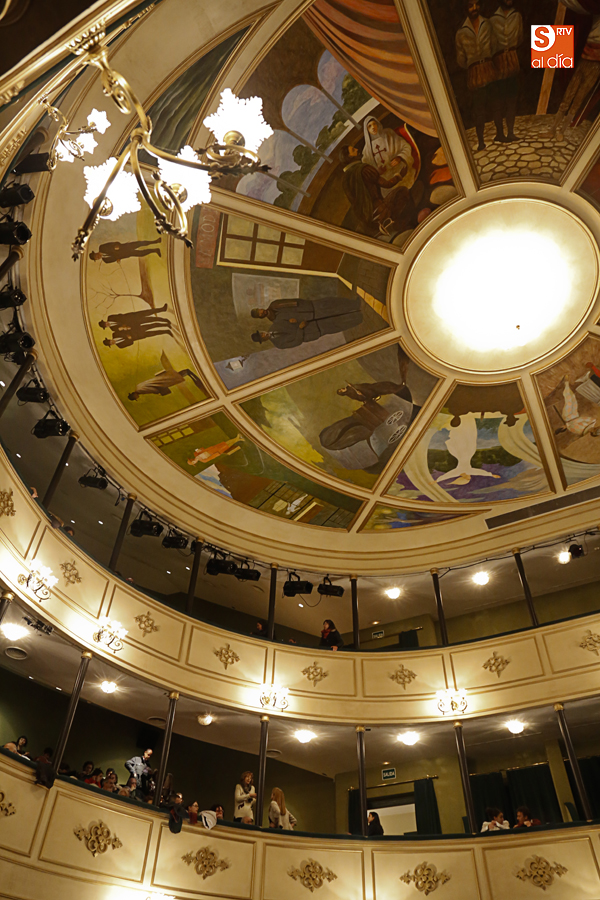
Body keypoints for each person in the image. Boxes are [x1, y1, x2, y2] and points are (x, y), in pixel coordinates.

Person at [542, 1, 600, 142]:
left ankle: (561, 131)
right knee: (568, 96)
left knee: (577, 100)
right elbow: (579, 6)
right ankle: (552, 129)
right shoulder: (595, 7)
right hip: (584, 57)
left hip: (596, 64)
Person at [339, 144, 415, 237]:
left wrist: (377, 173)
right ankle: (400, 223)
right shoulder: (364, 169)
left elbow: (363, 186)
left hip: (365, 217)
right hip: (379, 211)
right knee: (402, 191)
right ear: (349, 157)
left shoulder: (344, 180)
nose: (357, 150)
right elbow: (387, 184)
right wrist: (399, 175)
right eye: (353, 150)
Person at [456, 0, 498, 150]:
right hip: (474, 73)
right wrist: (473, 63)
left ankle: (501, 134)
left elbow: (494, 45)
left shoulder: (487, 24)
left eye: (477, 4)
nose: (474, 8)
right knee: (479, 109)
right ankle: (481, 141)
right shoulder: (461, 33)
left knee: (495, 103)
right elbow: (461, 60)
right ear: (465, 8)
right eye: (470, 5)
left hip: (489, 68)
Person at [250, 296, 363, 350]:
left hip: (310, 310)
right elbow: (296, 341)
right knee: (335, 324)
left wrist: (305, 307)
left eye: (262, 333)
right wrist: (299, 327)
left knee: (332, 304)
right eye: (262, 337)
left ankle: (354, 304)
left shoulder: (275, 316)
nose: (264, 334)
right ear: (263, 340)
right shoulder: (278, 342)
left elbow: (294, 302)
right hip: (312, 330)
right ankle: (358, 318)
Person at [489, 0, 523, 142]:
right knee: (498, 100)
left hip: (513, 60)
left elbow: (520, 38)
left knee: (511, 98)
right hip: (498, 62)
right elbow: (490, 44)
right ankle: (499, 133)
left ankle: (510, 132)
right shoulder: (492, 20)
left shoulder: (517, 16)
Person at [128, 367, 204, 401]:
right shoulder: (137, 386)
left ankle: (188, 372)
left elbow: (152, 390)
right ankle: (188, 373)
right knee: (172, 377)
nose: (137, 398)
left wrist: (158, 393)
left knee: (173, 378)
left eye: (135, 398)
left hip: (159, 383)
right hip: (157, 380)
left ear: (134, 396)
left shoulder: (140, 391)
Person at [89, 239, 162, 263]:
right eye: (97, 258)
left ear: (95, 253)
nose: (98, 257)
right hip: (126, 254)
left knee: (140, 244)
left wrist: (116, 246)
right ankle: (155, 250)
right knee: (141, 253)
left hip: (125, 247)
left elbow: (111, 244)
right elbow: (115, 258)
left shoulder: (102, 247)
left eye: (96, 256)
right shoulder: (106, 260)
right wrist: (118, 259)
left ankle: (155, 241)